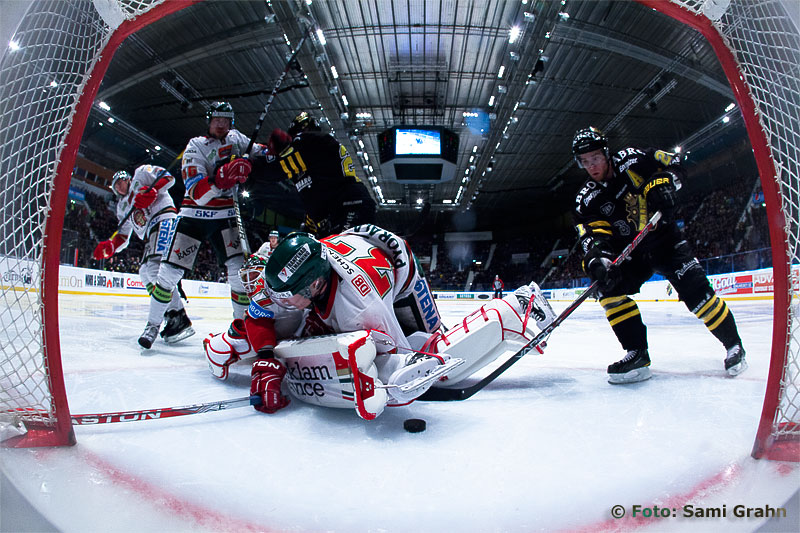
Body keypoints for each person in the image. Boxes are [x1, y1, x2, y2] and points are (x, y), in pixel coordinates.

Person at [205, 225, 557, 420]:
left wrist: (369, 377)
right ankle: (230, 343)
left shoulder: (361, 306)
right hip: (360, 243)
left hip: (401, 276)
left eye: (287, 296)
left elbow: (396, 364)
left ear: (315, 284)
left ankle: (514, 311)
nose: (277, 299)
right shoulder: (295, 274)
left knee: (433, 363)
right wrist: (266, 355)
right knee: (288, 326)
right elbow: (260, 313)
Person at [571, 126, 747, 384]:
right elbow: (592, 236)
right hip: (631, 255)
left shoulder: (633, 158)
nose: (592, 166)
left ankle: (734, 345)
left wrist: (664, 183)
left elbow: (674, 163)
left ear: (606, 153)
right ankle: (637, 354)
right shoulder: (586, 199)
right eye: (585, 161)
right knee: (608, 291)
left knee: (697, 292)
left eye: (595, 157)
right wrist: (598, 259)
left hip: (664, 240)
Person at [140, 101, 263, 348]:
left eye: (225, 120)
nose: (221, 124)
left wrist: (274, 149)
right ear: (209, 121)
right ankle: (153, 325)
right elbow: (196, 191)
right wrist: (222, 178)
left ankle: (240, 328)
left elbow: (263, 153)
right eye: (216, 119)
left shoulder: (238, 139)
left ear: (231, 123)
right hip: (194, 216)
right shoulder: (195, 145)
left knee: (238, 273)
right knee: (169, 273)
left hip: (226, 215)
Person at [93, 166, 195, 348]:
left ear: (127, 178)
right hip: (150, 232)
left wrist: (153, 190)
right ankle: (171, 312)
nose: (119, 187)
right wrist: (111, 246)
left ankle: (176, 315)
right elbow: (124, 236)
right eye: (115, 186)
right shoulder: (122, 206)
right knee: (144, 272)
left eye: (120, 182)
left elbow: (168, 177)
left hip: (164, 218)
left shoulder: (142, 173)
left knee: (156, 269)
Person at [250, 112, 376, 236]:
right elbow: (315, 195)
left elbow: (275, 168)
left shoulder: (308, 140)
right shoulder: (310, 160)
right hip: (343, 208)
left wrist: (248, 165)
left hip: (349, 205)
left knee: (344, 251)